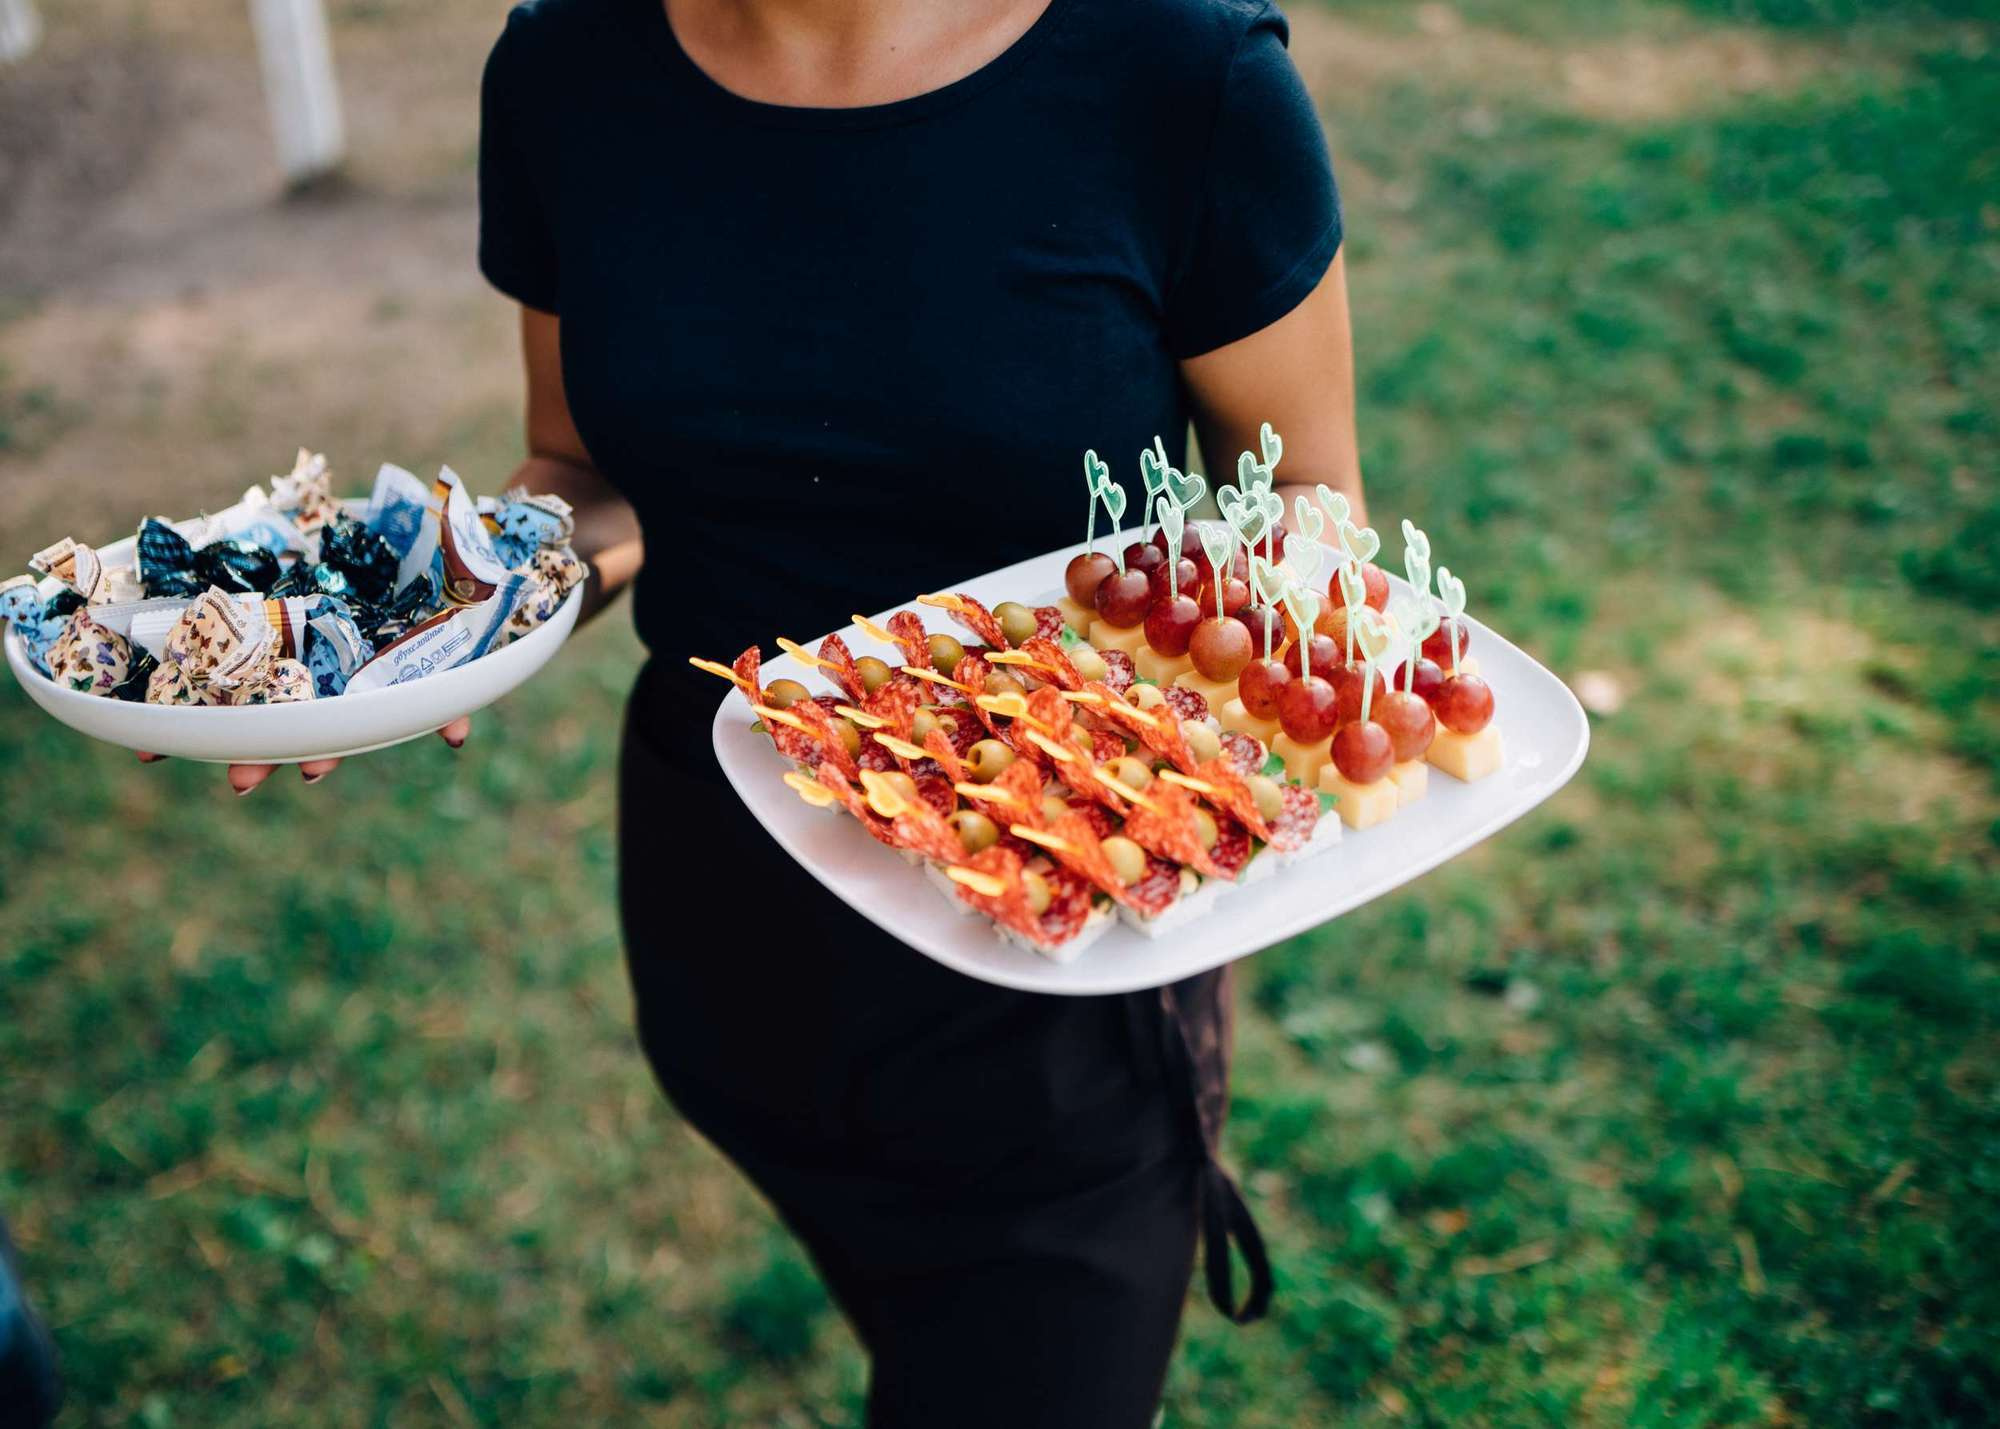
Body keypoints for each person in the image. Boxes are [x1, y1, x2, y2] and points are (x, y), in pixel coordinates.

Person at [183, 0, 1368, 1421]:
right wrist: (418, 625)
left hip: (1062, 970)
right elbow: (578, 465)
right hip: (729, 935)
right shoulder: (568, 63)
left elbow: (1305, 496)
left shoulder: (1184, 72)